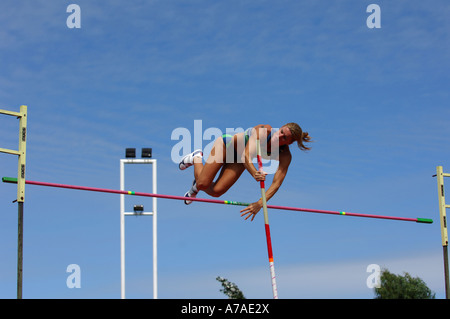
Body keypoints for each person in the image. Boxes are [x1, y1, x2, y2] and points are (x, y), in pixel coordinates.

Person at [178, 123, 312, 221]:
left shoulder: (285, 156)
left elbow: (276, 184)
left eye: (284, 137)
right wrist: (254, 172)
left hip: (239, 160)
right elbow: (246, 155)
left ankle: (197, 183)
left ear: (289, 142)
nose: (279, 136)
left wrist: (260, 203)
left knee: (216, 191)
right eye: (281, 131)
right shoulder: (264, 130)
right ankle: (196, 157)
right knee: (203, 184)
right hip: (226, 146)